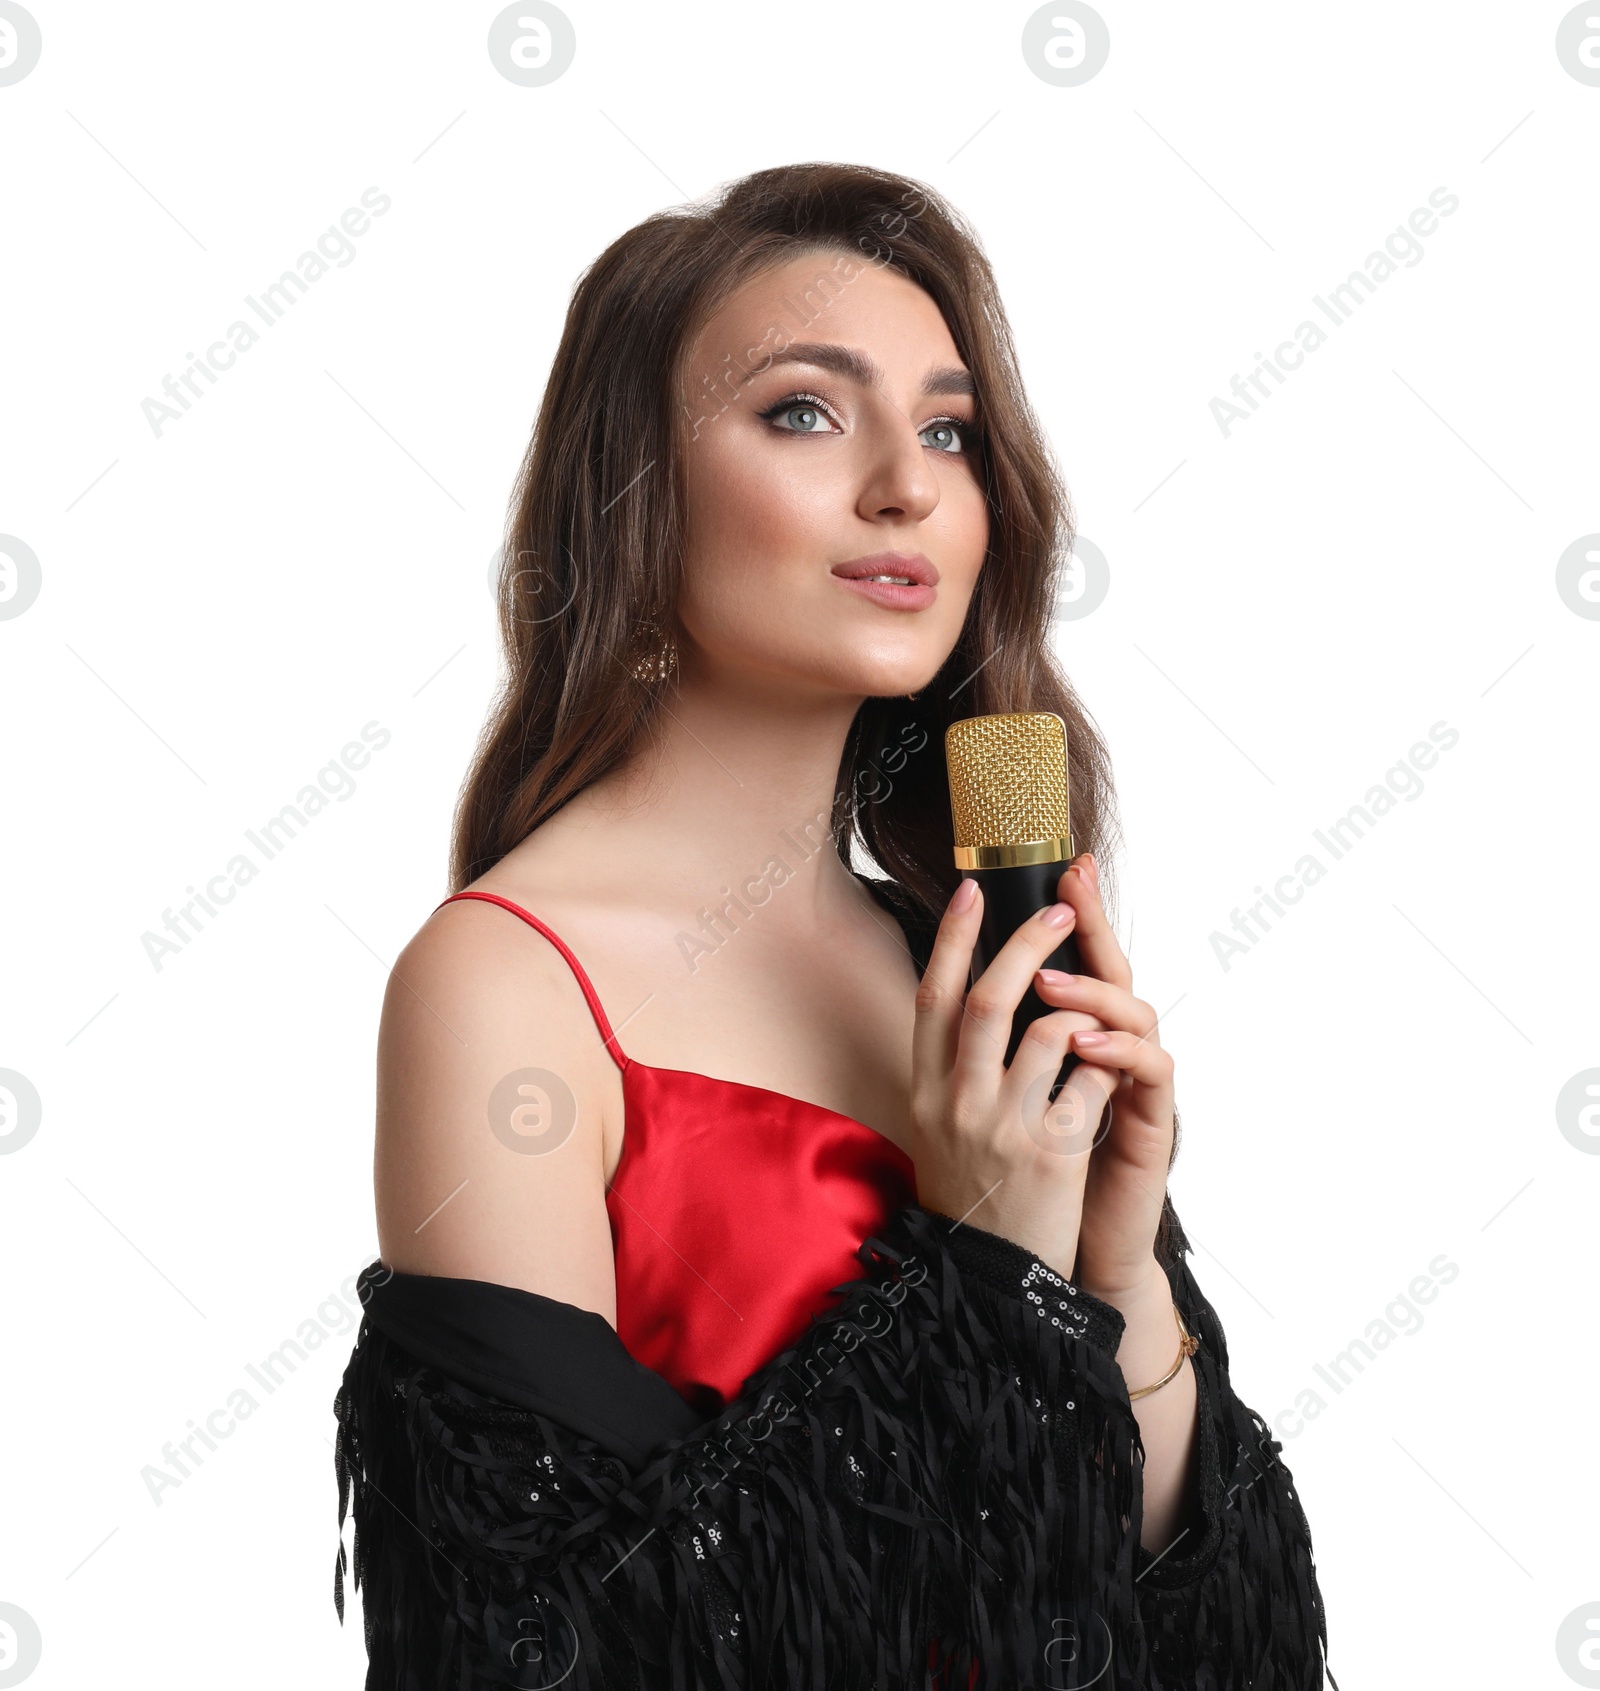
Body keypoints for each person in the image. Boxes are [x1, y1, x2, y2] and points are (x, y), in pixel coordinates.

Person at [333, 161, 1335, 1689]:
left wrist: (1119, 1288)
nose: (909, 485)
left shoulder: (954, 953)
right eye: (806, 412)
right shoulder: (505, 985)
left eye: (948, 430)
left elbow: (1199, 1644)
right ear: (636, 489)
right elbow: (561, 1643)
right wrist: (987, 1270)